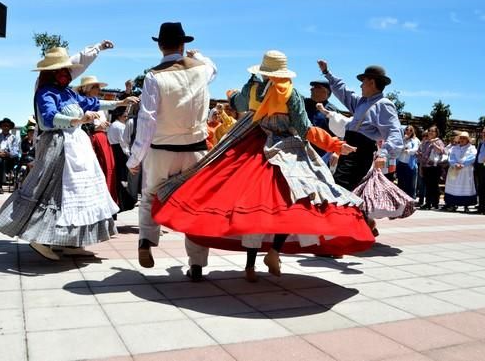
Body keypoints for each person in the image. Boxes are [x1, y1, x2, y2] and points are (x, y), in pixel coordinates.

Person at [151, 50, 373, 283]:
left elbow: (236, 102)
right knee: (292, 200)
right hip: (285, 150)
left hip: (249, 145)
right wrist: (336, 145)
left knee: (242, 199)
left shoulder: (253, 89)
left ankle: (249, 265)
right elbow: (306, 129)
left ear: (263, 71)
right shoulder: (291, 94)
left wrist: (232, 94)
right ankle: (274, 251)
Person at [0, 41, 138, 260]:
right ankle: (39, 238)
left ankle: (68, 241)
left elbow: (91, 102)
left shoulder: (68, 93)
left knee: (78, 195)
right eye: (62, 70)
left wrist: (118, 103)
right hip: (57, 147)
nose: (67, 73)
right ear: (52, 72)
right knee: (54, 191)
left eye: (67, 70)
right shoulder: (45, 92)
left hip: (77, 148)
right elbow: (49, 118)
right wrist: (77, 119)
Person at [126, 22, 215, 281]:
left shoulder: (154, 76)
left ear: (159, 45)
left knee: (150, 196)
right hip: (196, 150)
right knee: (196, 205)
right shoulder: (202, 70)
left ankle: (146, 240)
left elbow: (147, 120)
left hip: (161, 149)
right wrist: (197, 56)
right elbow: (214, 66)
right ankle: (197, 263)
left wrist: (135, 158)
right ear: (183, 44)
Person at [316, 61, 403, 234]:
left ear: (372, 82)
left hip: (362, 148)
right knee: (349, 187)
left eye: (363, 82)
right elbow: (344, 93)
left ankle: (338, 234)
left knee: (341, 186)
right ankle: (364, 224)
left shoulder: (384, 104)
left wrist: (384, 153)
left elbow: (394, 132)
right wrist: (327, 73)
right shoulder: (363, 102)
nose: (361, 85)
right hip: (350, 146)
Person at [74, 75, 119, 207]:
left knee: (107, 170)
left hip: (102, 139)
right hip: (89, 139)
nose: (98, 90)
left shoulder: (97, 102)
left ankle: (106, 204)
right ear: (87, 88)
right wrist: (95, 127)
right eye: (95, 87)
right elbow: (78, 122)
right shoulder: (80, 103)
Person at [304, 78, 340, 156]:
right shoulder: (303, 104)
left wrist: (336, 153)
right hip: (300, 151)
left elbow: (339, 134)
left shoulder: (332, 111)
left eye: (316, 87)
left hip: (320, 155)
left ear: (326, 92)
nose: (311, 89)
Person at [0, 118, 21, 194]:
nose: (6, 127)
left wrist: (8, 154)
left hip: (10, 162)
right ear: (1, 127)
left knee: (2, 159)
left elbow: (16, 152)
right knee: (1, 160)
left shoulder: (14, 138)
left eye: (7, 126)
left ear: (10, 127)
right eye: (4, 126)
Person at [443, 131, 477, 212]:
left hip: (466, 171)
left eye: (464, 138)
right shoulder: (454, 148)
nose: (462, 140)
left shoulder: (472, 148)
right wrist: (455, 164)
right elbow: (451, 157)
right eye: (461, 138)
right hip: (455, 169)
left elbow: (472, 157)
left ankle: (466, 206)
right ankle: (452, 204)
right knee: (453, 187)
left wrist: (463, 164)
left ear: (468, 140)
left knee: (466, 187)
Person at [417, 126, 445, 210]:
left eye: (433, 131)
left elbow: (442, 151)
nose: (430, 132)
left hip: (435, 167)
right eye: (429, 131)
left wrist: (433, 144)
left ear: (436, 133)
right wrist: (421, 165)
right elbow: (423, 155)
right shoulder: (425, 142)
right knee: (428, 185)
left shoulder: (439, 141)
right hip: (426, 166)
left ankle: (435, 203)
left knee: (434, 185)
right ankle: (428, 203)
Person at [396, 125, 420, 198]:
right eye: (407, 129)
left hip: (409, 164)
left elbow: (415, 149)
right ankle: (401, 199)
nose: (408, 131)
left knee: (409, 183)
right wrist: (402, 148)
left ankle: (409, 199)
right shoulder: (402, 139)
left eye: (410, 130)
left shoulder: (415, 140)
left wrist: (408, 151)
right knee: (401, 182)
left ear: (413, 131)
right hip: (400, 163)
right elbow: (397, 147)